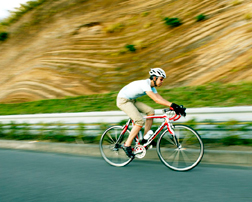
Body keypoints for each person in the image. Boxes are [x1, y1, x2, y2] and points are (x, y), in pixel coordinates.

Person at [117, 68, 186, 158]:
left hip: (131, 100)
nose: (162, 81)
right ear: (154, 78)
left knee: (150, 111)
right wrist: (173, 105)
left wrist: (174, 106)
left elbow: (160, 98)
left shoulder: (152, 87)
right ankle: (127, 145)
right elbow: (156, 100)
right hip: (123, 100)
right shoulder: (145, 84)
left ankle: (145, 138)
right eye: (161, 79)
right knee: (139, 121)